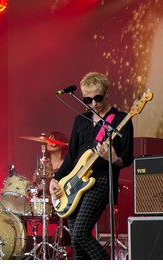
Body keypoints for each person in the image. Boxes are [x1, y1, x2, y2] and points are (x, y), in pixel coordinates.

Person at [49, 72, 134, 260]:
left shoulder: (121, 119)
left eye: (98, 98)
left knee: (80, 233)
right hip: (75, 183)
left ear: (106, 93)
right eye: (88, 99)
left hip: (101, 182)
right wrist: (55, 179)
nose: (93, 103)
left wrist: (112, 157)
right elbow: (71, 157)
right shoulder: (81, 120)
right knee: (77, 245)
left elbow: (127, 158)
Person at [31, 131, 69, 197]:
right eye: (48, 140)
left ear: (61, 145)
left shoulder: (67, 164)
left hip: (63, 199)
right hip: (45, 202)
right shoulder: (43, 163)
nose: (48, 142)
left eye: (52, 140)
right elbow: (35, 182)